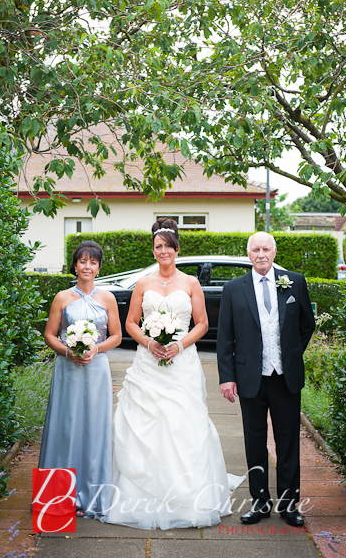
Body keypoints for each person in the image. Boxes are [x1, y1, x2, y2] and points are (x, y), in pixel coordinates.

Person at [100, 218, 244, 530]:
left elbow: (203, 324)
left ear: (177, 249)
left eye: (167, 246)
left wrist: (178, 345)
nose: (163, 251)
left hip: (181, 362)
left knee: (183, 422)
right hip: (148, 364)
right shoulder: (143, 283)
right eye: (158, 246)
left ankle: (188, 494)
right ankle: (138, 493)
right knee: (143, 423)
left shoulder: (191, 283)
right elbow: (130, 324)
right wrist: (150, 342)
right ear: (153, 251)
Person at [217, 231, 315, 527]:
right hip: (250, 378)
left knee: (288, 442)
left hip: (285, 377)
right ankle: (260, 503)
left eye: (266, 249)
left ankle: (288, 505)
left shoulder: (294, 281)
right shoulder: (234, 288)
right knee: (254, 442)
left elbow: (305, 325)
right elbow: (225, 338)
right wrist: (227, 377)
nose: (261, 254)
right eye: (255, 249)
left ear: (274, 251)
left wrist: (291, 353)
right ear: (249, 254)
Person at [38, 240, 122, 517]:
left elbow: (116, 336)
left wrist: (95, 348)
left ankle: (93, 495)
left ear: (98, 267)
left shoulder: (107, 298)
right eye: (83, 261)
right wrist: (67, 351)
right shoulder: (62, 297)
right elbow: (50, 334)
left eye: (93, 262)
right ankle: (58, 496)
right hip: (68, 369)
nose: (88, 266)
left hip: (97, 369)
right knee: (65, 427)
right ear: (75, 265)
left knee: (94, 427)